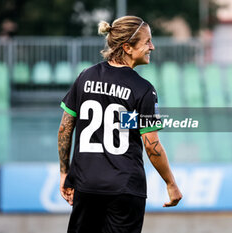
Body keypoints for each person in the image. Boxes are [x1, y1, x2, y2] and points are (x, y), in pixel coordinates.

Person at [58, 16, 182, 233]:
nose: (152, 47)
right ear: (127, 47)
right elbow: (151, 144)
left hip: (86, 186)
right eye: (147, 42)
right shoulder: (143, 89)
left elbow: (65, 128)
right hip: (125, 189)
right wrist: (170, 183)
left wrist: (64, 173)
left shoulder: (85, 77)